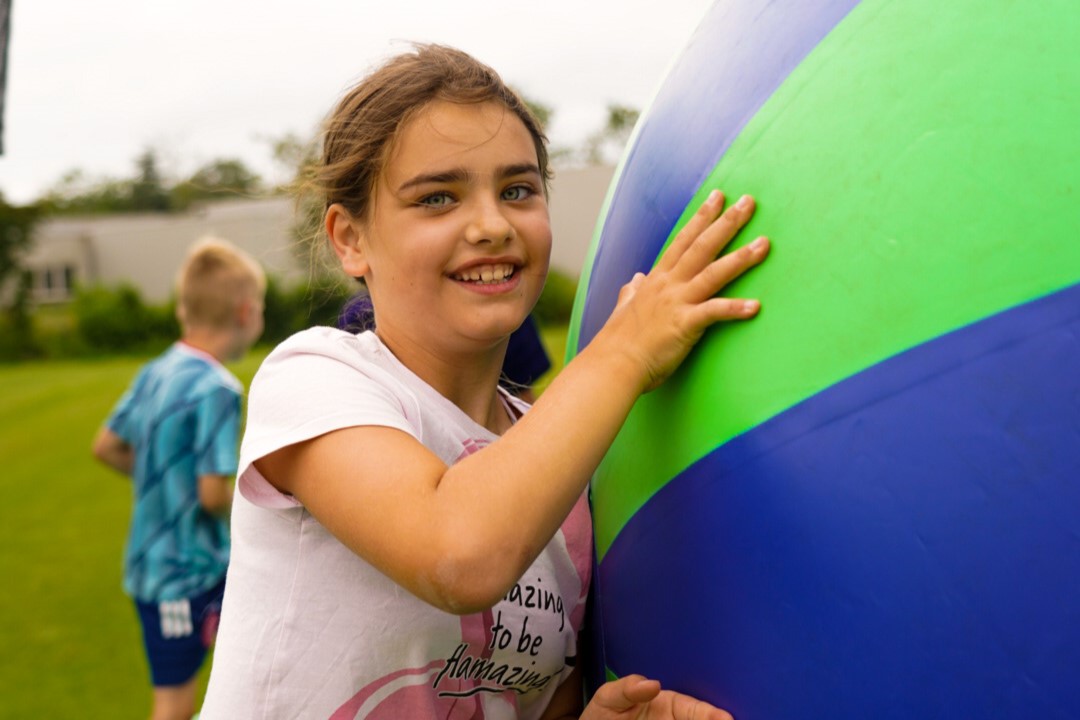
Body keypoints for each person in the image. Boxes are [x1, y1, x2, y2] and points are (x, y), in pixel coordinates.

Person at [201, 44, 770, 720]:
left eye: (518, 190)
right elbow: (459, 555)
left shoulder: (558, 477)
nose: (492, 225)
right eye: (438, 197)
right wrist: (623, 352)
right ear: (350, 238)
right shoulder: (317, 378)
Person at [92, 237, 266, 720]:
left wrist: (161, 479)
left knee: (254, 663)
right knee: (173, 703)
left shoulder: (156, 370)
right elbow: (213, 495)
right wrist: (269, 515)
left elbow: (106, 445)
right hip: (181, 575)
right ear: (246, 312)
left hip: (176, 568)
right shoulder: (218, 388)